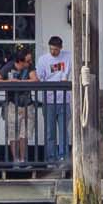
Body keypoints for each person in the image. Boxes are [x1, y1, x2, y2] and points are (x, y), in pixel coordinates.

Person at [0, 48, 39, 168]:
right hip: (12, 104)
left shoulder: (29, 67)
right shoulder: (9, 66)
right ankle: (15, 161)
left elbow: (35, 80)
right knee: (13, 134)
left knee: (24, 134)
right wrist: (9, 81)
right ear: (20, 61)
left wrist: (20, 82)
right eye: (28, 61)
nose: (30, 63)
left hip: (27, 105)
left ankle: (23, 160)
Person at [37, 34, 72, 166]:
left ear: (61, 48)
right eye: (51, 49)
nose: (53, 51)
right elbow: (40, 77)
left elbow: (67, 73)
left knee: (64, 131)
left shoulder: (68, 56)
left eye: (56, 49)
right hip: (49, 99)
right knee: (50, 131)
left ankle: (63, 157)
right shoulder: (43, 60)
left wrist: (64, 77)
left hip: (63, 99)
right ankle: (51, 158)